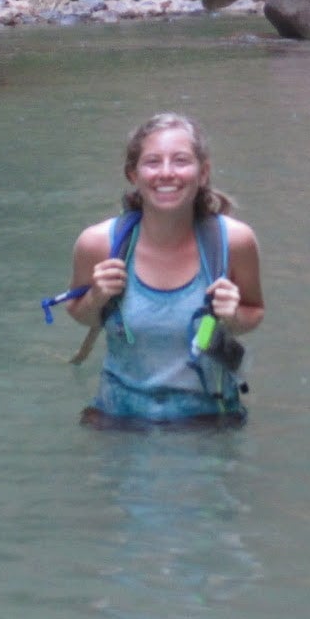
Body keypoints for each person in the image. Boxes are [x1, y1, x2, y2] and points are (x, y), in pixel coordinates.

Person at [65, 113, 264, 425]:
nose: (167, 173)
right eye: (153, 162)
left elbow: (254, 312)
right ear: (133, 173)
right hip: (120, 419)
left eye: (181, 161)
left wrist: (233, 315)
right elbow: (79, 314)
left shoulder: (234, 242)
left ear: (203, 172)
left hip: (209, 421)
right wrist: (96, 298)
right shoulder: (99, 244)